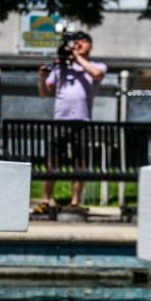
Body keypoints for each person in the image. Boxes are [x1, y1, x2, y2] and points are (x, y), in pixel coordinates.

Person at [37, 31, 106, 211]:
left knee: (79, 162)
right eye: (77, 42)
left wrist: (75, 56)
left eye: (83, 41)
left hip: (81, 121)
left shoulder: (95, 66)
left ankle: (75, 202)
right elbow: (44, 94)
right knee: (52, 163)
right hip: (60, 120)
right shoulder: (60, 69)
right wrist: (43, 78)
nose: (79, 44)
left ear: (90, 46)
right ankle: (45, 201)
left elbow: (97, 74)